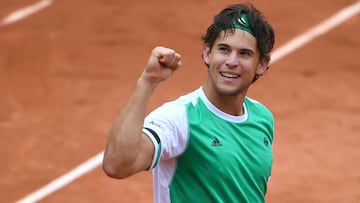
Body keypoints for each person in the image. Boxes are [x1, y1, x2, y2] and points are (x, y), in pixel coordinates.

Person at [103, 3, 275, 203]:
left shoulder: (263, 118)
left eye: (244, 53)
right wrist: (147, 82)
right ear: (207, 53)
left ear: (261, 65)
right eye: (224, 49)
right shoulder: (180, 117)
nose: (232, 61)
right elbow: (116, 165)